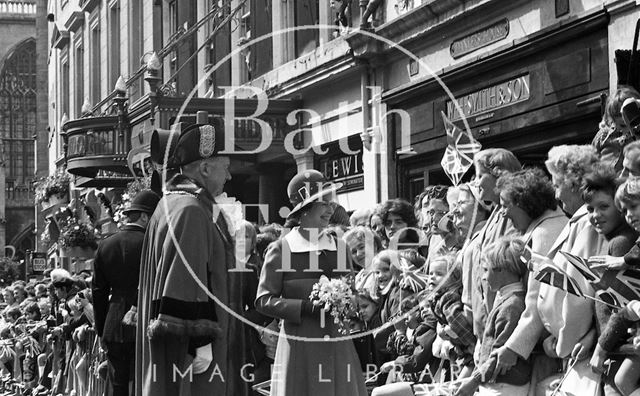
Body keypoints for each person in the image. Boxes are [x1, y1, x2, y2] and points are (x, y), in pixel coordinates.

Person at [134, 123, 250, 396]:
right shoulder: (191, 210)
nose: (230, 176)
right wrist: (200, 343)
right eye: (226, 166)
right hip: (191, 352)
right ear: (206, 168)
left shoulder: (172, 204)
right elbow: (185, 279)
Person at [255, 169, 367, 395]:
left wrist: (349, 302)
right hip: (300, 350)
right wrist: (304, 307)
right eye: (324, 203)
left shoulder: (340, 247)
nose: (331, 209)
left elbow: (352, 293)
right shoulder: (281, 248)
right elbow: (263, 300)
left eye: (332, 203)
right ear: (304, 210)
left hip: (338, 345)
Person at [92, 189, 160, 396]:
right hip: (148, 316)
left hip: (114, 320)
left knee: (118, 382)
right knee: (148, 379)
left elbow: (99, 292)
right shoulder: (154, 243)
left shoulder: (105, 245)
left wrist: (102, 329)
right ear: (145, 216)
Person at [455, 237, 532, 396]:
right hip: (497, 383)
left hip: (504, 386)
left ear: (501, 270)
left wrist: (474, 380)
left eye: (485, 270)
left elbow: (499, 355)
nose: (483, 277)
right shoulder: (507, 300)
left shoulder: (511, 306)